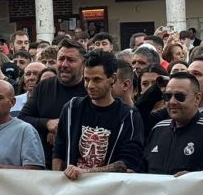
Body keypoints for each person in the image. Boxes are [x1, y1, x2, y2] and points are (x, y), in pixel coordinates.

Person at [52, 50, 146, 179]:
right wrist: (56, 180)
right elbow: (59, 150)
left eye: (97, 80)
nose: (90, 85)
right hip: (71, 188)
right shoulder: (72, 108)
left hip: (108, 190)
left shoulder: (128, 116)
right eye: (86, 79)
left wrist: (86, 173)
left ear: (112, 79)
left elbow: (127, 162)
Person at [20, 40, 89, 168]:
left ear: (83, 64)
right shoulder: (44, 86)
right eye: (61, 59)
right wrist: (47, 124)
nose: (64, 64)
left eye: (71, 60)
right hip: (44, 163)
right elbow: (23, 118)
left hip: (80, 165)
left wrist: (62, 129)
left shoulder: (90, 89)